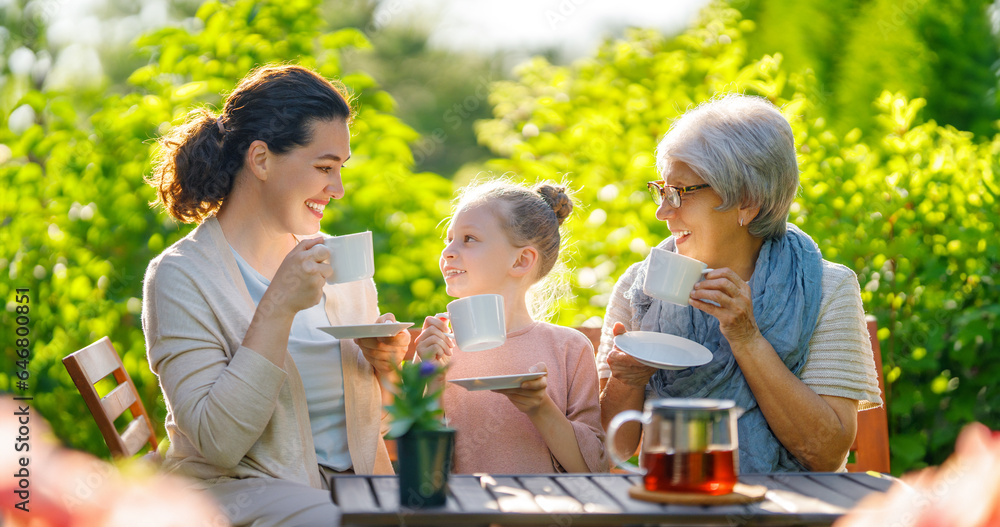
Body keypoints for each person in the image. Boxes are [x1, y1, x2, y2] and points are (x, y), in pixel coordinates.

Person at [142, 64, 408, 526]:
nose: (338, 189)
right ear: (261, 159)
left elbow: (370, 430)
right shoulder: (181, 276)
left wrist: (387, 373)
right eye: (325, 168)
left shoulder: (338, 264)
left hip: (347, 490)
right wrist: (279, 306)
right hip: (234, 495)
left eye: (340, 169)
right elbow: (219, 443)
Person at [597, 94, 883, 473]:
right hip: (675, 499)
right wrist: (625, 381)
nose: (662, 211)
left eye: (680, 193)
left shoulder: (826, 288)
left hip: (794, 511)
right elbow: (609, 451)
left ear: (747, 202)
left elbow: (826, 454)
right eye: (662, 190)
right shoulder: (641, 286)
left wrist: (747, 338)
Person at [414, 179, 608, 473]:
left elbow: (592, 469)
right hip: (462, 516)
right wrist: (427, 379)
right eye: (449, 239)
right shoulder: (437, 352)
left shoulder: (569, 348)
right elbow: (420, 470)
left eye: (469, 239)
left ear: (521, 260)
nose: (447, 252)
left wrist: (540, 407)